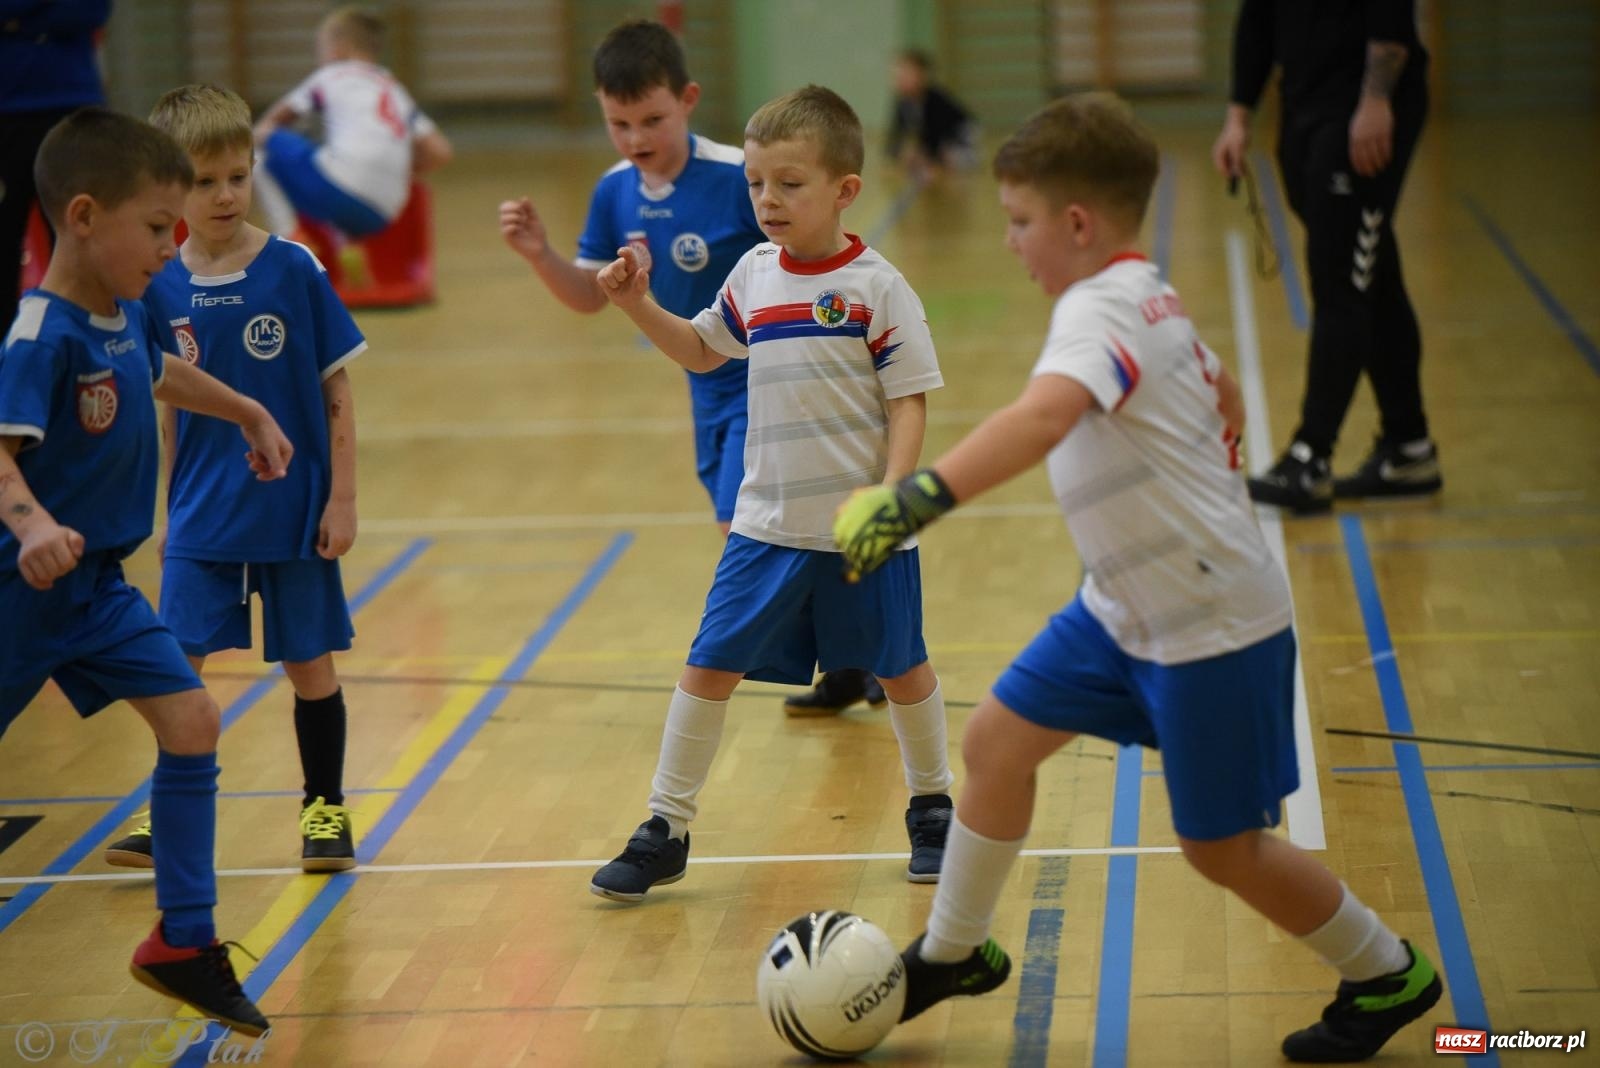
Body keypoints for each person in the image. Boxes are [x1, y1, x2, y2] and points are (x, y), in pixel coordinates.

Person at [834, 93, 1443, 1062]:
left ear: (1075, 223)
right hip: (1119, 611)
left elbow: (1042, 419)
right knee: (995, 744)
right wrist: (1217, 430)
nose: (1009, 242)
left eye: (1019, 221)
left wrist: (913, 499)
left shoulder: (1099, 307)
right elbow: (1219, 383)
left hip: (1208, 624)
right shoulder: (1141, 291)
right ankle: (953, 953)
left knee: (1220, 849)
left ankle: (1385, 972)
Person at [587, 84, 955, 902]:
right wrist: (636, 303)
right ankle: (665, 826)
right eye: (756, 182)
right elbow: (701, 351)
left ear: (844, 190)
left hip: (865, 531)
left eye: (789, 183)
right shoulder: (752, 275)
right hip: (766, 527)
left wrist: (894, 499)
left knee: (903, 669)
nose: (767, 200)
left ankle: (933, 808)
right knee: (707, 667)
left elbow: (909, 400)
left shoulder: (877, 287)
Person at [0, 107, 293, 1034]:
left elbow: (160, 371)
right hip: (20, 590)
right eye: (157, 227)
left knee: (194, 719)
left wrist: (247, 409)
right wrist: (34, 523)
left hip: (98, 591)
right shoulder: (39, 334)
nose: (173, 246)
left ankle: (183, 941)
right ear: (84, 216)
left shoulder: (123, 313)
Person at [499, 19, 883, 717]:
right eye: (619, 123)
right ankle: (855, 659)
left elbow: (813, 247)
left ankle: (835, 650)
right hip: (701, 379)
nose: (636, 137)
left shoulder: (740, 174)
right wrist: (539, 256)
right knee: (754, 521)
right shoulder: (615, 191)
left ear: (689, 100)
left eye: (652, 118)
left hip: (770, 380)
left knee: (752, 526)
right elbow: (591, 296)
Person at [100, 84, 367, 874]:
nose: (223, 195)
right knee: (176, 664)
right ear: (169, 185)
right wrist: (169, 513)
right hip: (202, 516)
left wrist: (342, 497)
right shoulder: (158, 286)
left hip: (294, 511)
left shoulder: (293, 269)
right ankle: (168, 808)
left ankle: (324, 808)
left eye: (236, 176)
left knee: (310, 667)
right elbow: (170, 410)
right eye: (203, 179)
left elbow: (336, 389)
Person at [1213, 0, 1438, 514]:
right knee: (1371, 273)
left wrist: (1376, 99)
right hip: (1303, 105)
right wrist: (1238, 115)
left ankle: (1310, 456)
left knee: (1341, 282)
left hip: (1362, 109)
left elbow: (1391, 11)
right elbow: (1257, 17)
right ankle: (1409, 446)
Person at [252, 4, 452, 240]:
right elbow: (440, 152)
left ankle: (291, 236)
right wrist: (398, 172)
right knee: (325, 168)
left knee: (261, 149)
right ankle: (348, 251)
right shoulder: (393, 88)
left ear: (338, 48)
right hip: (383, 213)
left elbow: (267, 126)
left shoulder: (331, 75)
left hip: (337, 191)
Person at [1, 0, 109, 337]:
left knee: (80, 235)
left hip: (72, 105)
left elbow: (91, 10)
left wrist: (16, 21)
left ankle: (85, 346)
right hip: (7, 108)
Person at [886, 49, 977, 180]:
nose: (900, 78)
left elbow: (939, 136)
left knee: (951, 161)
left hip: (960, 138)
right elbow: (894, 137)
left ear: (923, 75)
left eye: (907, 73)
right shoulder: (903, 102)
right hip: (938, 142)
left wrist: (926, 157)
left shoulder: (936, 100)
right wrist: (899, 152)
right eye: (897, 74)